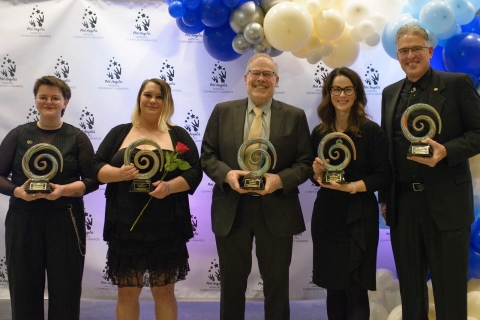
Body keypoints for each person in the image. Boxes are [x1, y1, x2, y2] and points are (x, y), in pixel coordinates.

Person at [200, 53, 313, 320]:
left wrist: (279, 180)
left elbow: (305, 163)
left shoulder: (295, 116)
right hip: (232, 210)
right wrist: (228, 175)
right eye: (256, 73)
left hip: (277, 211)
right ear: (246, 77)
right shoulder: (222, 112)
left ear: (276, 80)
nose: (261, 79)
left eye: (267, 74)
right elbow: (207, 156)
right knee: (231, 285)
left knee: (276, 285)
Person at [379, 24, 480, 319]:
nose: (410, 56)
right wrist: (385, 199)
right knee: (410, 289)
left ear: (430, 51)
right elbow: (388, 149)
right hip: (403, 206)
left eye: (416, 49)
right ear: (397, 55)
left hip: (446, 204)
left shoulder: (457, 83)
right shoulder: (389, 93)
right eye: (404, 51)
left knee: (450, 289)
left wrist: (447, 151)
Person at [92, 78, 202, 320]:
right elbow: (95, 168)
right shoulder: (120, 132)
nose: (153, 100)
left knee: (164, 293)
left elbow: (195, 171)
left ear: (167, 102)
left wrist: (171, 186)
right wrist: (118, 173)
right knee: (127, 293)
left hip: (166, 228)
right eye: (148, 95)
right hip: (126, 226)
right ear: (139, 98)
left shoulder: (178, 134)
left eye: (160, 96)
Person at [0, 76, 99, 319]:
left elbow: (93, 180)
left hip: (66, 219)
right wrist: (18, 191)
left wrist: (63, 190)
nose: (49, 102)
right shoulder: (18, 134)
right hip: (23, 219)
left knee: (66, 289)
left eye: (55, 98)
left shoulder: (77, 136)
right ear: (35, 100)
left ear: (65, 102)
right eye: (43, 97)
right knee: (23, 288)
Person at [311, 68, 390, 319]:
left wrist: (352, 187)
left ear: (357, 94)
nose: (341, 94)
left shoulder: (372, 131)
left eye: (347, 89)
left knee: (356, 289)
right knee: (333, 288)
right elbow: (315, 180)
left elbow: (383, 175)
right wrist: (316, 173)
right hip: (328, 216)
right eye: (336, 89)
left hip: (360, 217)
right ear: (328, 93)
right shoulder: (319, 133)